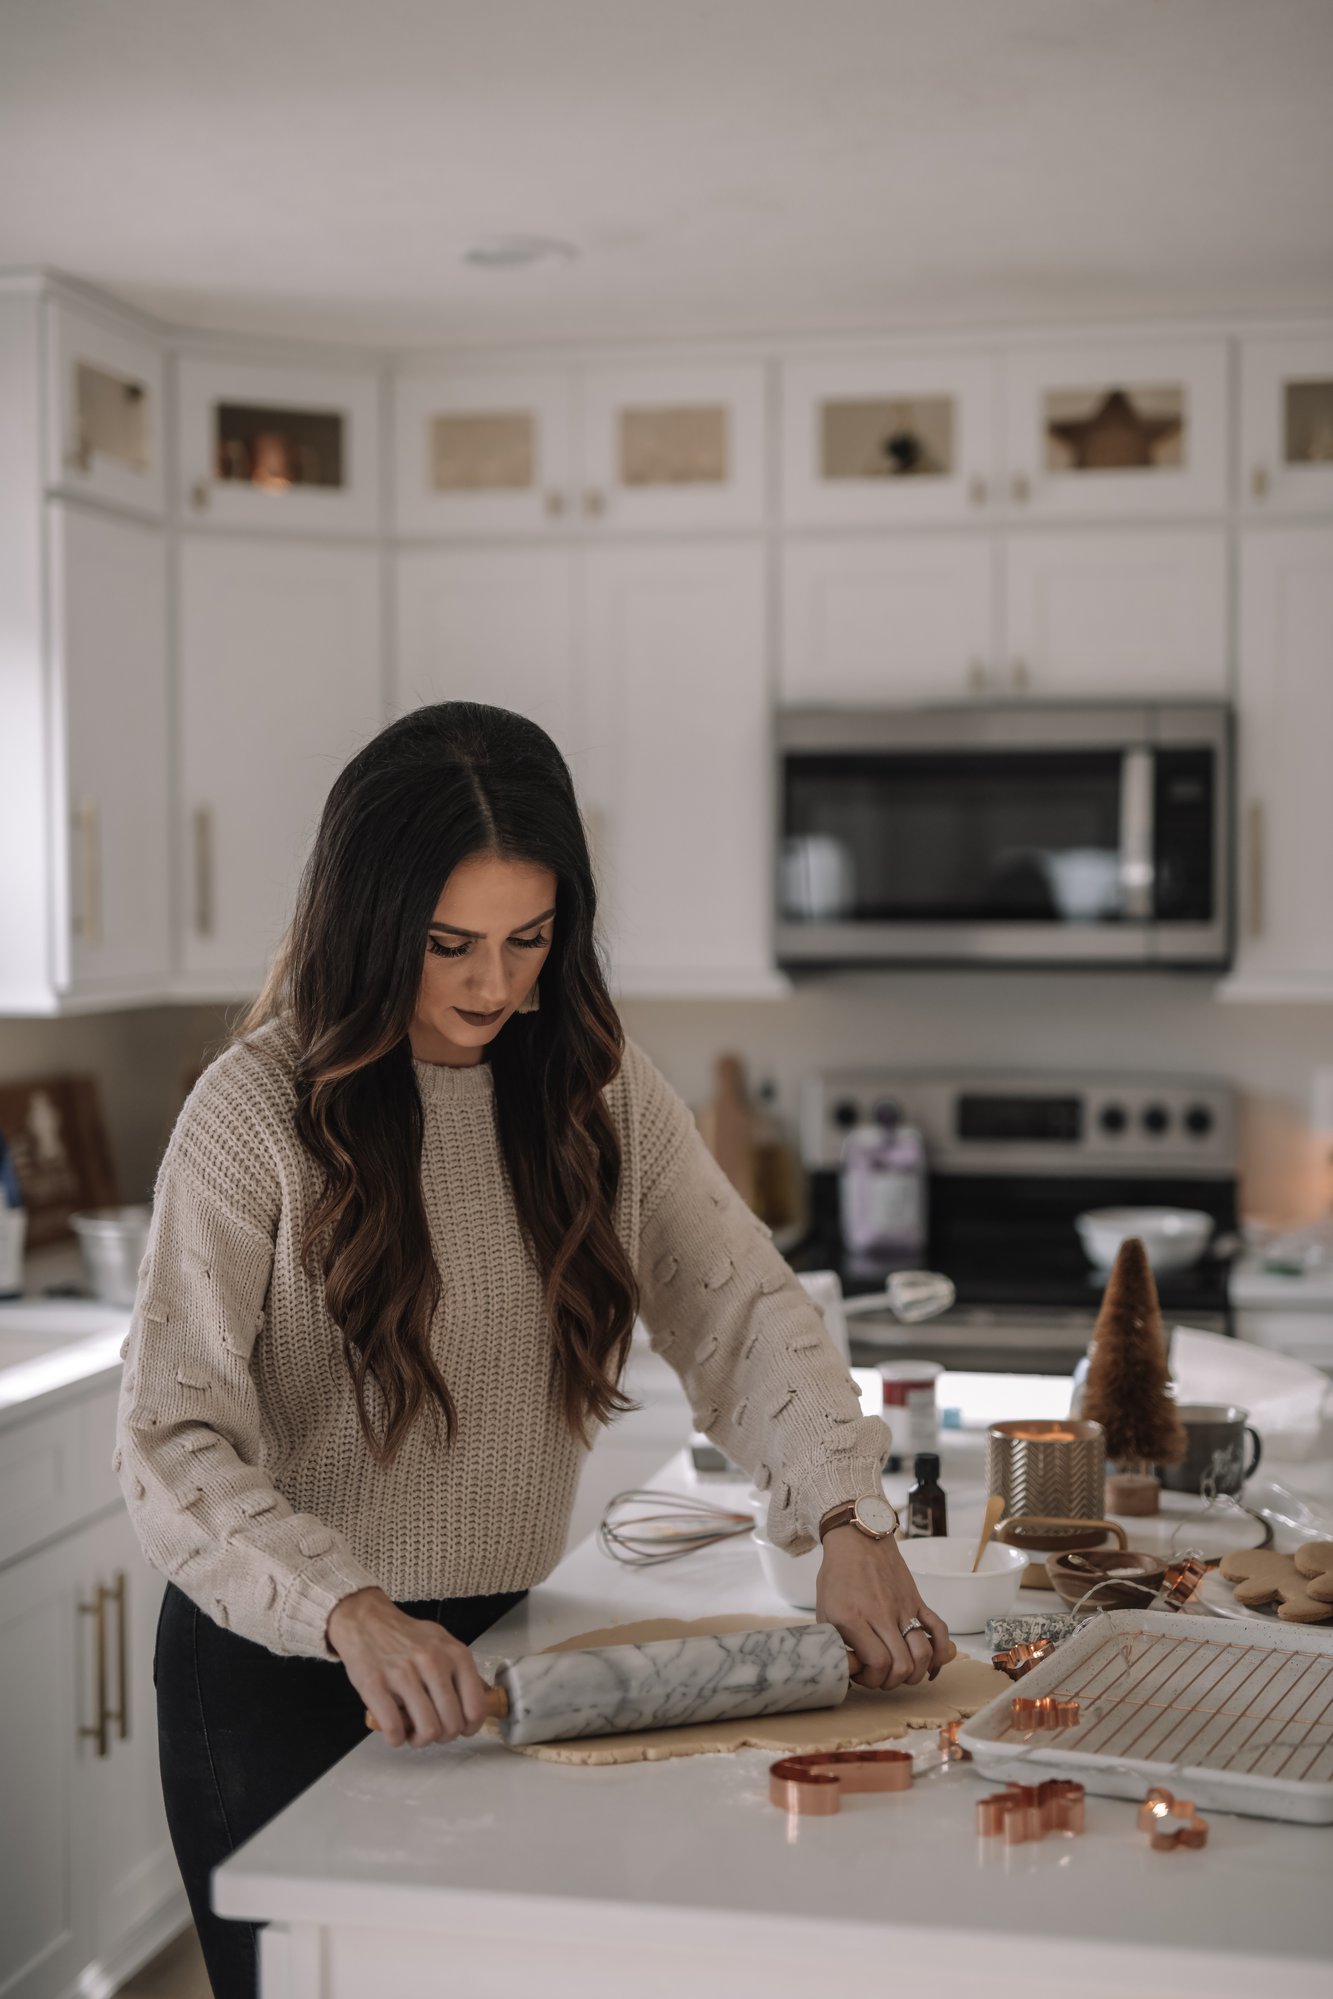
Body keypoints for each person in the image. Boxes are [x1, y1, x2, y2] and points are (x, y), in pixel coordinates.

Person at [114, 700, 949, 1999]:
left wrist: (849, 1513)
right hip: (286, 1666)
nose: (493, 986)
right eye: (447, 945)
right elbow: (174, 1438)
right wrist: (350, 1608)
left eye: (528, 939)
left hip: (514, 1656)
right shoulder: (254, 1113)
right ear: (366, 921)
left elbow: (742, 1311)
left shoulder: (593, 1089)